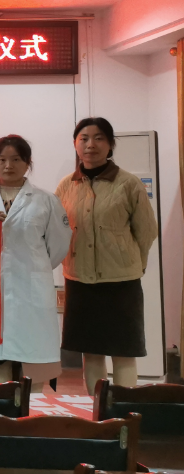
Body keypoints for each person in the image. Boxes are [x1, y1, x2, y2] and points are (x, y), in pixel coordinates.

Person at [56, 117, 158, 393]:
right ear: (76, 144)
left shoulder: (129, 183)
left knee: (123, 351)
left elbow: (147, 231)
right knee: (91, 351)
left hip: (121, 282)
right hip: (79, 281)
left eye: (99, 138)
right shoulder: (66, 185)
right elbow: (57, 229)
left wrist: (133, 264)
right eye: (84, 138)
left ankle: (122, 410)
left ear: (111, 144)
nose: (91, 144)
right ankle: (97, 408)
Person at [0, 135, 71, 384]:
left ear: (28, 163)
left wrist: (35, 267)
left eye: (16, 159)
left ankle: (32, 407)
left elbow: (58, 245)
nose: (8, 165)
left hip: (31, 287)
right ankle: (0, 406)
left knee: (33, 364)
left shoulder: (46, 200)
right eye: (2, 159)